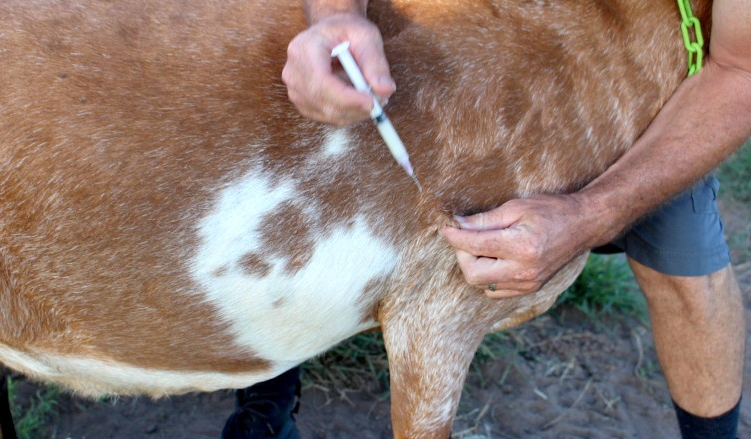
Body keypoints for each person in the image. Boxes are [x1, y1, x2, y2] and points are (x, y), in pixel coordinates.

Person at [223, 0, 751, 438]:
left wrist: (590, 215)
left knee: (688, 272)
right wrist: (334, 17)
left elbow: (740, 69)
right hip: (454, 36)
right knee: (296, 174)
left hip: (639, 66)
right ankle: (265, 407)